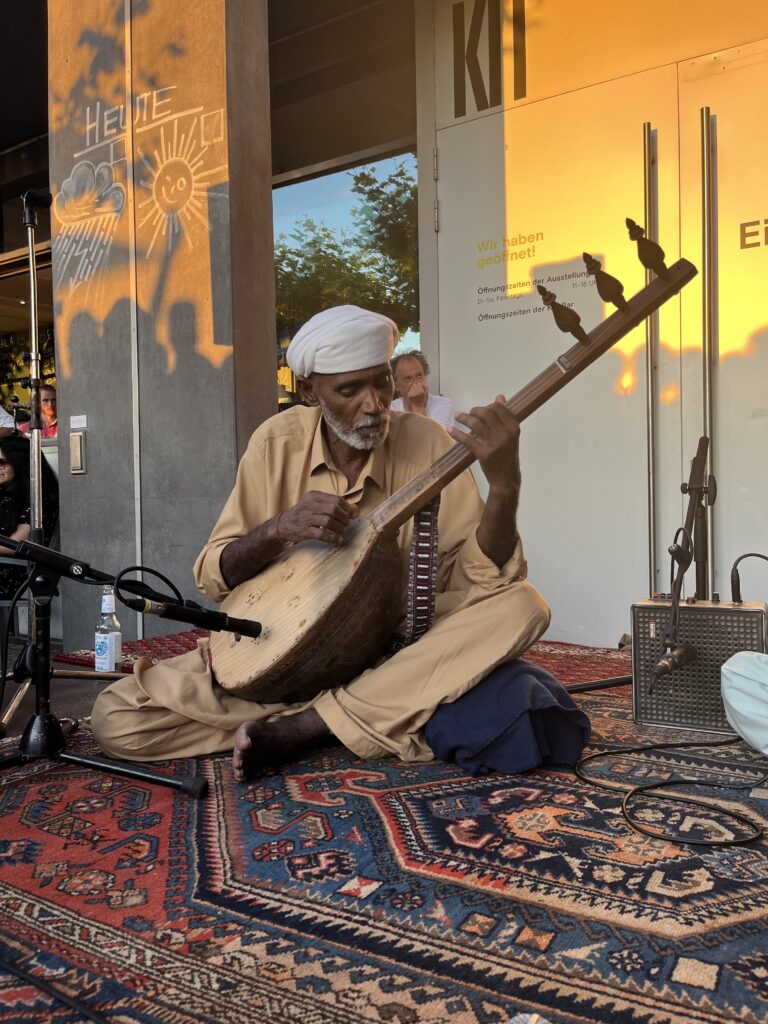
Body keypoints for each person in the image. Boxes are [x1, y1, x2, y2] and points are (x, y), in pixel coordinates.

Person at [91, 305, 551, 780]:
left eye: (381, 383)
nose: (373, 405)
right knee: (118, 719)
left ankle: (311, 725)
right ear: (310, 391)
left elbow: (483, 577)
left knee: (523, 606)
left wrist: (505, 485)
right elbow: (214, 575)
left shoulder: (428, 443)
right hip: (282, 657)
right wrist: (277, 530)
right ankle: (374, 710)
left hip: (393, 650)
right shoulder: (276, 442)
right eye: (350, 390)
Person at [0, 434, 59, 600]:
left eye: (1, 463)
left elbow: (17, 545)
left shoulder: (39, 498)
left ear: (19, 463)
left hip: (12, 571)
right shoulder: (6, 494)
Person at [390, 350, 454, 429]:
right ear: (396, 385)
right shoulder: (391, 409)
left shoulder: (443, 404)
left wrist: (418, 406)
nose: (416, 383)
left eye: (419, 376)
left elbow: (431, 441)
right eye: (408, 379)